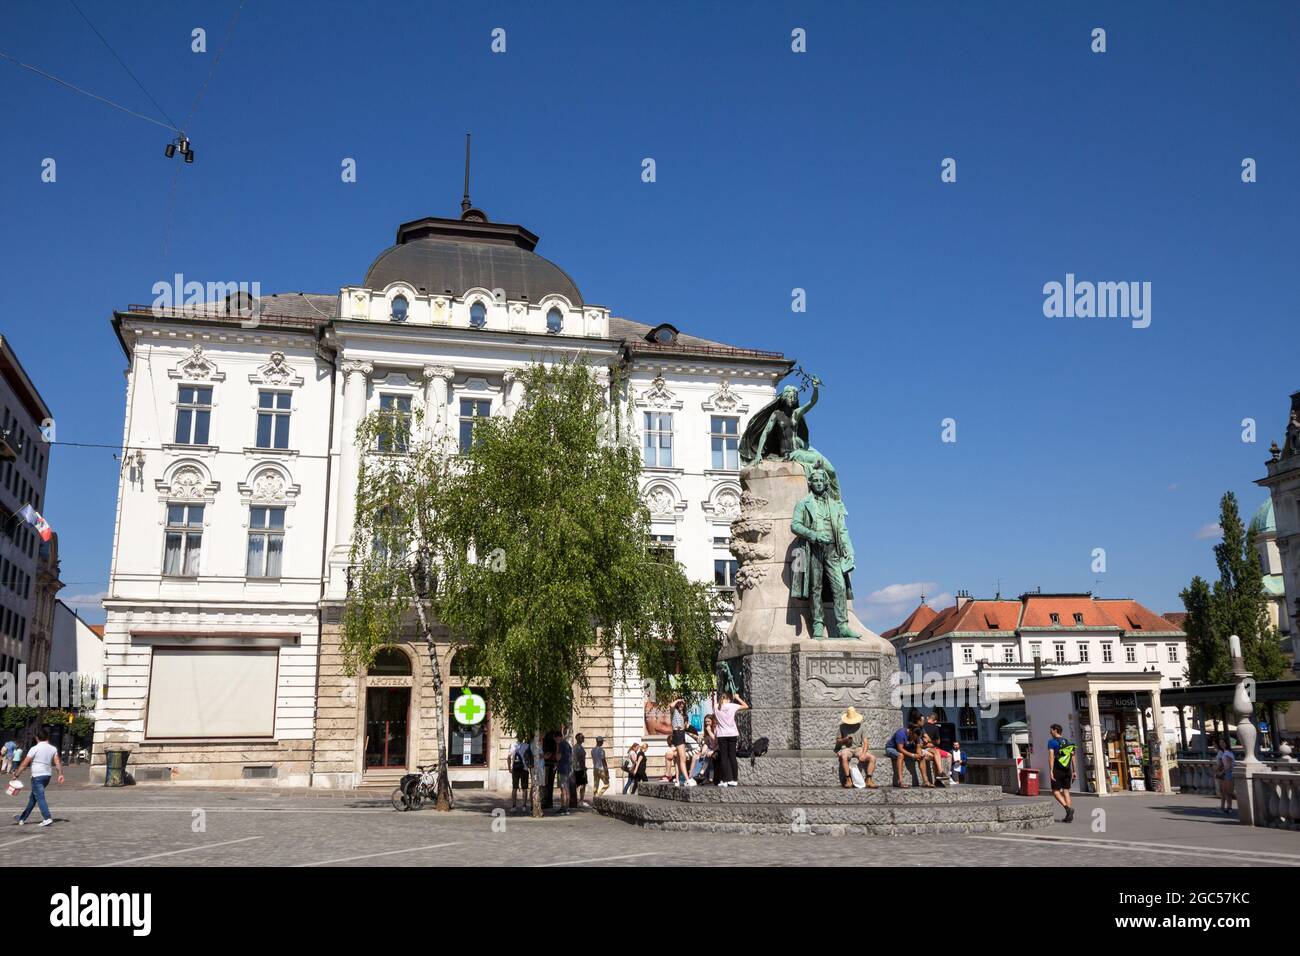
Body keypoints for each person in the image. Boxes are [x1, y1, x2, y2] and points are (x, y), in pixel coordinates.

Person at [11, 730, 63, 828]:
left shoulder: (34, 748)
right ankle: (22, 818)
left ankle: (47, 817)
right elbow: (57, 762)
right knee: (33, 799)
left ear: (37, 738)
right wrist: (60, 774)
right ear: (47, 737)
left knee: (39, 797)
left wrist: (16, 774)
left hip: (37, 776)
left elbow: (24, 763)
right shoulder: (53, 749)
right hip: (47, 775)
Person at [834, 706, 878, 789]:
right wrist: (844, 740)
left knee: (873, 758)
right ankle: (848, 779)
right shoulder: (842, 727)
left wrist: (863, 754)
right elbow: (838, 741)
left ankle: (868, 779)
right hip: (847, 748)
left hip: (858, 748)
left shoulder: (861, 726)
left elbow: (865, 742)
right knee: (843, 756)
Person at [712, 690, 748, 787]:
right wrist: (737, 698)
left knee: (724, 757)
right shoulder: (732, 706)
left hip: (721, 735)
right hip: (732, 733)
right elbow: (746, 706)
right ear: (728, 699)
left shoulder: (716, 707)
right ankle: (734, 779)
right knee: (732, 756)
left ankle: (725, 780)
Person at [1047, 723, 1076, 823]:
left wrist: (1051, 771)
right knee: (1066, 791)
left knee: (1055, 791)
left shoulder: (1052, 742)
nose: (1050, 731)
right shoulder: (1068, 742)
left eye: (1051, 730)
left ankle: (1068, 809)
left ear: (1055, 730)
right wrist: (1074, 771)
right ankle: (1069, 815)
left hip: (1057, 769)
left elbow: (1051, 757)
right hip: (1068, 769)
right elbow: (1073, 757)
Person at [669, 698, 698, 787]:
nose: (681, 705)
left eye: (683, 704)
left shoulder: (682, 713)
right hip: (678, 733)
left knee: (678, 759)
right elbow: (671, 705)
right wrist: (678, 700)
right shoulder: (674, 711)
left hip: (681, 734)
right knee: (683, 758)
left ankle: (677, 780)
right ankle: (687, 779)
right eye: (680, 703)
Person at [886, 723, 923, 787]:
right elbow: (900, 749)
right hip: (892, 748)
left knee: (922, 757)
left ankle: (926, 781)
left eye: (916, 738)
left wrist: (919, 755)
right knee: (901, 755)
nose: (914, 739)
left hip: (905, 749)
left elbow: (918, 746)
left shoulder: (916, 735)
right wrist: (913, 755)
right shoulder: (901, 733)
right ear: (910, 732)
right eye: (914, 737)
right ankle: (900, 781)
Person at [690, 715, 718, 784]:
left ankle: (701, 773)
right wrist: (703, 751)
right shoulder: (706, 731)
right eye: (706, 722)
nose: (707, 723)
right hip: (710, 749)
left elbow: (716, 741)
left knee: (709, 755)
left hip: (717, 749)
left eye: (709, 721)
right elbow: (706, 743)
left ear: (712, 721)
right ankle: (693, 776)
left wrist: (709, 732)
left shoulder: (715, 729)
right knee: (699, 756)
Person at [509, 734, 531, 810]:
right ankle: (524, 806)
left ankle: (514, 806)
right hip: (524, 769)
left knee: (514, 788)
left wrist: (509, 768)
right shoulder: (527, 746)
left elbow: (508, 757)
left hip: (515, 769)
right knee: (524, 788)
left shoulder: (512, 745)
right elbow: (530, 757)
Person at [1215, 737, 1236, 815]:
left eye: (1223, 742)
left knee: (1228, 792)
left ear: (1226, 743)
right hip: (1226, 773)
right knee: (1225, 791)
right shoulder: (1225, 752)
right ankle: (1228, 807)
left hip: (1228, 773)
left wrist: (1221, 772)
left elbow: (1229, 765)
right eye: (1220, 743)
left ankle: (1229, 807)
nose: (1221, 744)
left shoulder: (1228, 753)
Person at [555, 731, 574, 815]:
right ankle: (567, 808)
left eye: (555, 739)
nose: (555, 741)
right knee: (567, 789)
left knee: (563, 789)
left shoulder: (561, 745)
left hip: (562, 769)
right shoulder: (568, 745)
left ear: (558, 737)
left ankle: (564, 808)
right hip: (568, 769)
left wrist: (556, 749)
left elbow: (558, 757)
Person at [573, 733, 589, 806]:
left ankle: (574, 799)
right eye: (582, 737)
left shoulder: (576, 747)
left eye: (583, 737)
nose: (583, 738)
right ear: (578, 739)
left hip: (576, 768)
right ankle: (581, 801)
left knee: (577, 784)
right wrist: (584, 769)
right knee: (582, 784)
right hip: (580, 768)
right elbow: (581, 760)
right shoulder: (579, 748)